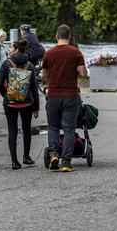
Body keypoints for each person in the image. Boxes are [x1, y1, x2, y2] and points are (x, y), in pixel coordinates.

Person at [42, 24, 87, 172]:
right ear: (69, 37)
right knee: (68, 129)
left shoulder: (48, 53)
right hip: (71, 96)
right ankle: (66, 162)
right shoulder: (76, 53)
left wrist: (51, 84)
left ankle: (54, 153)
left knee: (53, 126)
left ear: (56, 36)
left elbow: (44, 75)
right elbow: (83, 74)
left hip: (53, 95)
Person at [0, 40, 40, 169]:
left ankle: (14, 161)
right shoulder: (29, 65)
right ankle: (26, 157)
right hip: (27, 103)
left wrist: (6, 95)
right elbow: (34, 87)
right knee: (27, 129)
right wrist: (36, 107)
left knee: (12, 131)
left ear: (16, 50)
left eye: (10, 48)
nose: (9, 50)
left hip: (10, 103)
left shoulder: (7, 64)